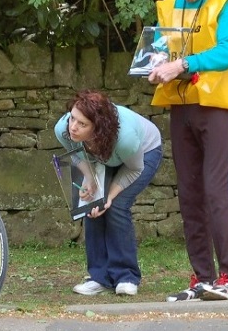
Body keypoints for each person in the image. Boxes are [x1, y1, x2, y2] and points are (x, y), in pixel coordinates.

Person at [147, 0, 228, 302]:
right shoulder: (169, 5)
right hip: (182, 106)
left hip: (216, 107)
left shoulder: (225, 3)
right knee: (190, 194)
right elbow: (161, 51)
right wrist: (154, 67)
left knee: (216, 192)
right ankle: (202, 277)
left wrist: (183, 65)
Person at [54, 89, 162, 296]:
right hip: (102, 155)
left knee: (117, 206)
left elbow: (134, 169)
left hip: (142, 154)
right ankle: (99, 277)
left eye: (82, 124)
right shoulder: (64, 129)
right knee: (91, 205)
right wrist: (90, 179)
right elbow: (76, 154)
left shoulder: (126, 140)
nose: (73, 127)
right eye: (72, 118)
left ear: (98, 129)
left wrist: (109, 197)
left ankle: (126, 277)